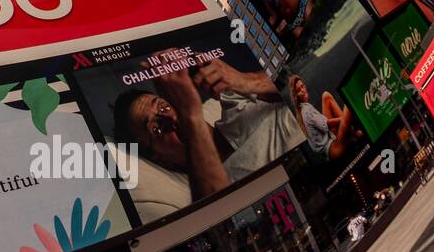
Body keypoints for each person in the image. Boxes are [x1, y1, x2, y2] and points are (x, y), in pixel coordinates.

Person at [111, 51, 306, 209]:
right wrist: (190, 116)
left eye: (163, 106)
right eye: (155, 127)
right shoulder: (204, 190)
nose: (170, 117)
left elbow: (300, 76)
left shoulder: (234, 99)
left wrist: (242, 80)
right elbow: (218, 216)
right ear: (158, 157)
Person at [288, 74, 357, 162]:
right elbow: (327, 124)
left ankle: (352, 135)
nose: (303, 90)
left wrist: (344, 121)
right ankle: (354, 135)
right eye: (298, 90)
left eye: (302, 86)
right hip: (333, 149)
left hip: (330, 141)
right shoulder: (306, 111)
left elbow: (324, 125)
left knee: (326, 96)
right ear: (296, 96)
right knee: (348, 107)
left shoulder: (303, 108)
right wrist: (344, 119)